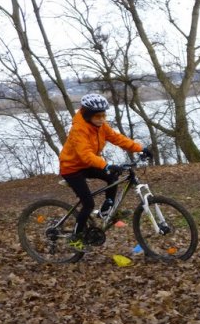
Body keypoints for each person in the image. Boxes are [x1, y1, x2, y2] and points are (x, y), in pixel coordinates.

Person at [59, 93, 152, 251]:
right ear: (88, 115)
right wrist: (106, 165)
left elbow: (117, 138)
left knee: (113, 177)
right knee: (88, 203)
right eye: (98, 116)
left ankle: (106, 211)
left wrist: (141, 148)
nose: (102, 119)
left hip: (88, 164)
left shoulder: (101, 126)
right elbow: (86, 155)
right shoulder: (78, 130)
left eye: (104, 115)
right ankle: (75, 237)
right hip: (72, 168)